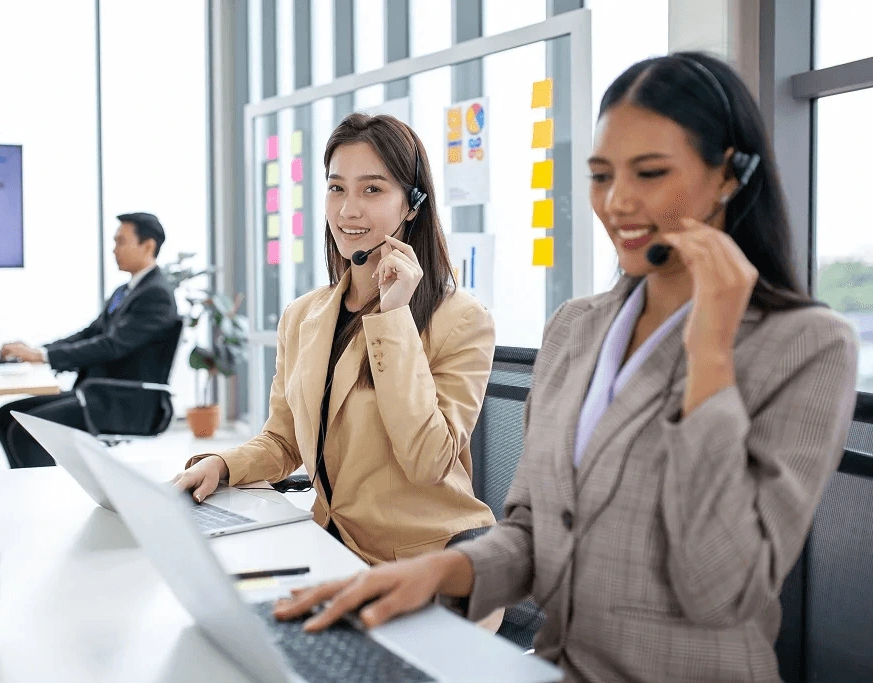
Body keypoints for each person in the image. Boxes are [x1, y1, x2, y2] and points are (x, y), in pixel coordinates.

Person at [272, 54, 859, 682]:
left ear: (730, 175)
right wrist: (436, 573)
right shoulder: (578, 328)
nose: (618, 202)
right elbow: (533, 532)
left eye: (651, 173)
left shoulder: (806, 345)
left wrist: (710, 354)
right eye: (601, 175)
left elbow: (718, 585)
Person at [172, 113, 497, 566]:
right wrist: (223, 465)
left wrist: (394, 315)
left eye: (372, 189)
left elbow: (428, 462)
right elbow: (283, 442)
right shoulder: (303, 315)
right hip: (331, 548)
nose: (348, 210)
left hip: (426, 565)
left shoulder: (461, 320)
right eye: (336, 187)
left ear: (412, 204)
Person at [0, 212, 180, 468]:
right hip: (99, 392)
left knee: (25, 431)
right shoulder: (127, 291)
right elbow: (90, 334)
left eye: (121, 242)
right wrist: (40, 351)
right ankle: (24, 492)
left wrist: (44, 357)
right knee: (6, 416)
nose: (114, 250)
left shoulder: (155, 294)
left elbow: (111, 345)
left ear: (148, 246)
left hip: (123, 402)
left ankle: (39, 498)